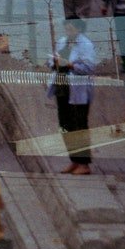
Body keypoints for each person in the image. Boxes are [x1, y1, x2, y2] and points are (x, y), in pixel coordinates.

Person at [49, 18, 96, 174]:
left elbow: (89, 67)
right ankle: (74, 160)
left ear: (78, 29)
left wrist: (69, 65)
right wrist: (54, 61)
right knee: (65, 125)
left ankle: (84, 164)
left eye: (71, 29)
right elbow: (52, 60)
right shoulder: (62, 41)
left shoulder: (86, 45)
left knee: (79, 126)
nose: (68, 33)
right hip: (63, 89)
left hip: (78, 90)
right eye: (66, 29)